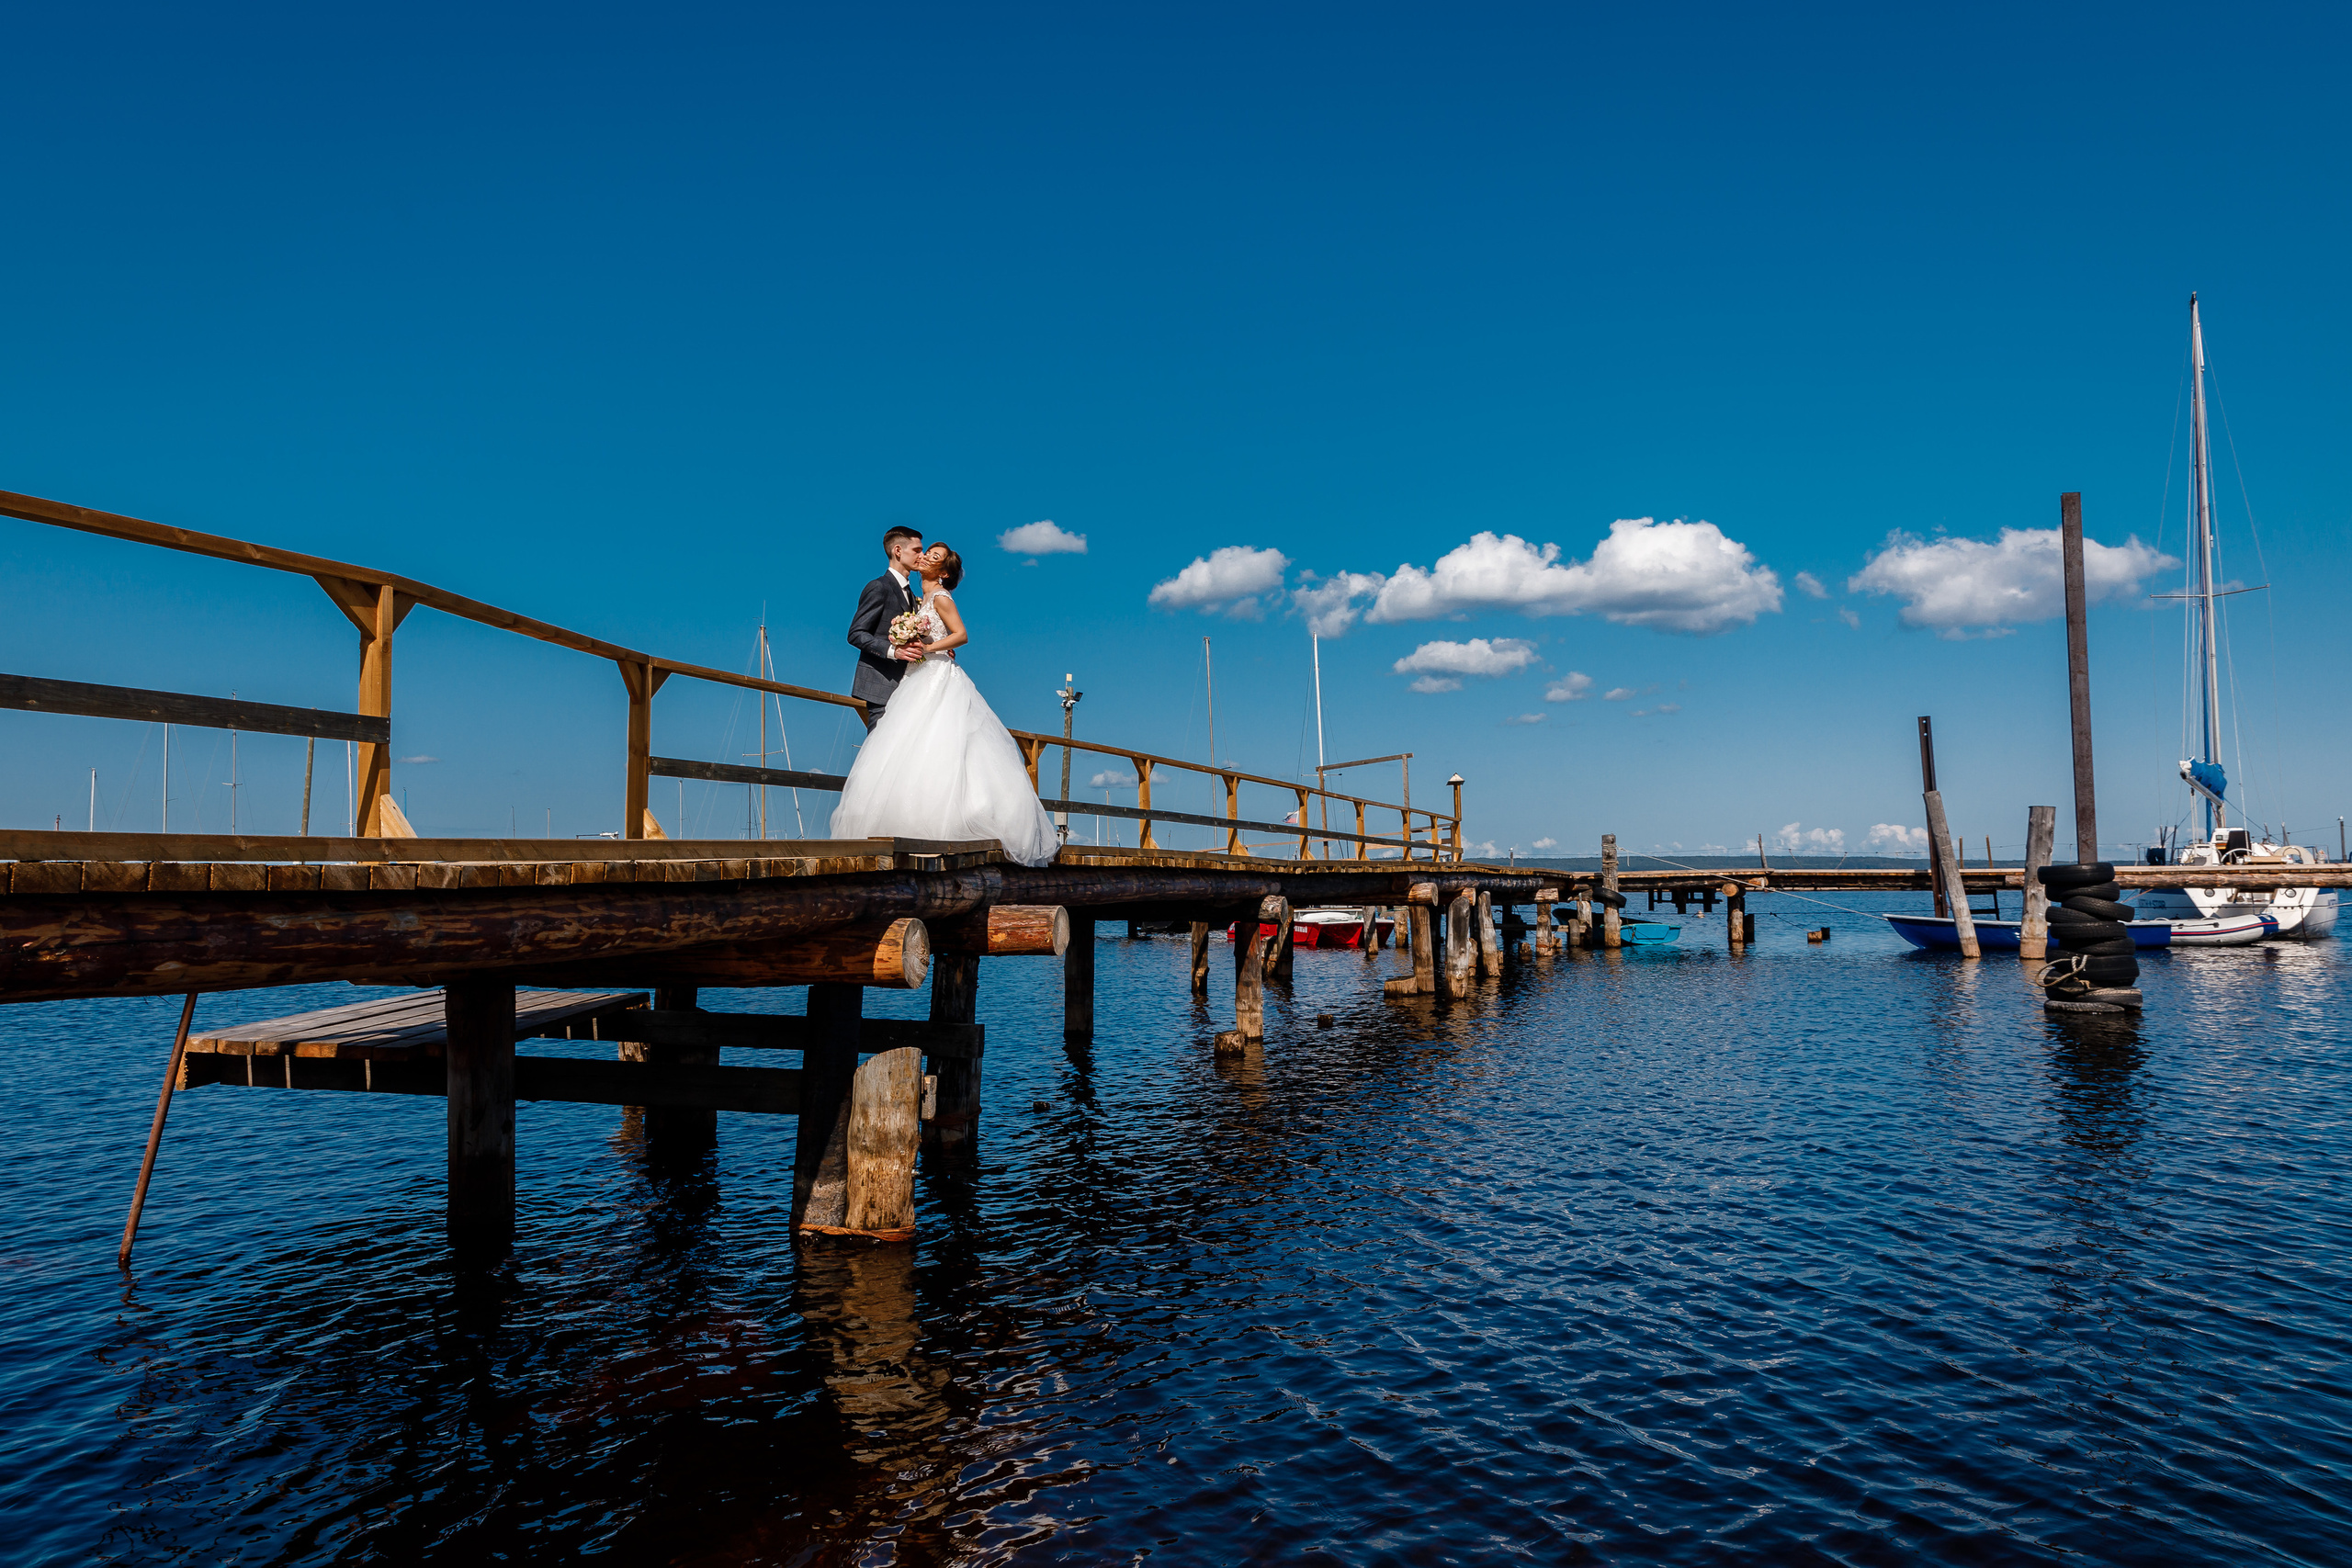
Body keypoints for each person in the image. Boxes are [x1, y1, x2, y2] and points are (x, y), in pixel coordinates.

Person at [831, 543, 1060, 865]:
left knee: (941, 742)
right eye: (925, 551)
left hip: (936, 675)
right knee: (909, 745)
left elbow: (961, 634)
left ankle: (950, 824)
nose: (925, 556)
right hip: (915, 677)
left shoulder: (940, 596)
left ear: (943, 573)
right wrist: (914, 642)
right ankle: (903, 821)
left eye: (933, 556)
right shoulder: (917, 598)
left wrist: (931, 648)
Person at [845, 526, 929, 731]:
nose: (922, 555)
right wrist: (894, 651)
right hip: (881, 688)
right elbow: (856, 633)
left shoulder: (912, 595)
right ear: (898, 551)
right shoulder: (879, 587)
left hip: (909, 688)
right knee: (879, 747)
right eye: (917, 550)